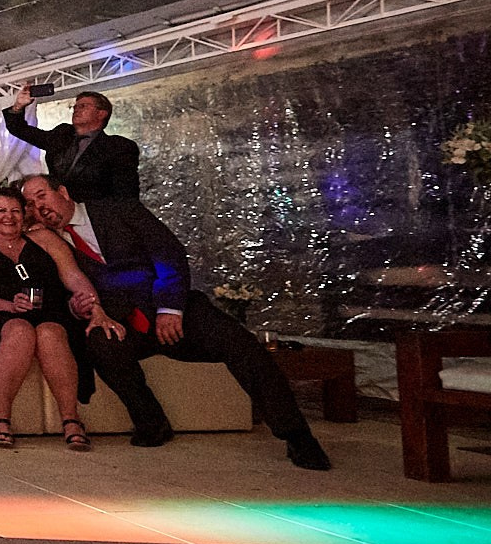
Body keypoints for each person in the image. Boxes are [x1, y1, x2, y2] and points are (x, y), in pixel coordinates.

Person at [19, 175, 331, 469]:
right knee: (101, 343)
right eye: (30, 204)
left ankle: (297, 436)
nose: (38, 206)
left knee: (241, 344)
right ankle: (151, 424)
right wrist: (77, 307)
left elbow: (168, 252)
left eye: (41, 195)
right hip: (125, 322)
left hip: (172, 307)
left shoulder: (119, 210)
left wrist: (170, 308)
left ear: (63, 193)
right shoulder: (46, 243)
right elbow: (64, 293)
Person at [0, 186, 121, 451]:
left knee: (50, 333)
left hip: (48, 311)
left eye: (15, 210)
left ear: (24, 214)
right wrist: (10, 306)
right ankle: (0, 415)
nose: (9, 217)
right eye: (1, 211)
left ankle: (71, 419)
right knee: (19, 330)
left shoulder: (44, 239)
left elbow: (72, 276)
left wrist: (96, 307)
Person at [5, 85, 141, 201]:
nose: (76, 109)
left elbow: (126, 193)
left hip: (92, 215)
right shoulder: (62, 134)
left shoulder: (118, 147)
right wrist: (18, 106)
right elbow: (20, 130)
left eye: (83, 106)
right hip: (55, 210)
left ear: (101, 114)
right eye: (75, 106)